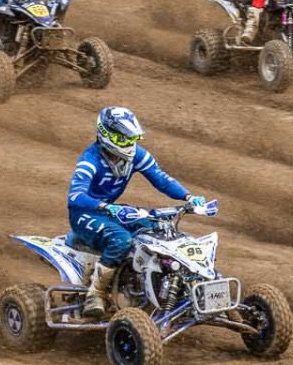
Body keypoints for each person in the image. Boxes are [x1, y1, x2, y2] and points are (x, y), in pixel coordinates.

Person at [66, 107, 209, 316]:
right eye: (123, 139)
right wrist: (107, 207)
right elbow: (75, 196)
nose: (128, 144)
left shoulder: (137, 155)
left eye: (131, 139)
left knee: (159, 230)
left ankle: (168, 286)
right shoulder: (90, 160)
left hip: (110, 210)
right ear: (107, 135)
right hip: (84, 213)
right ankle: (95, 294)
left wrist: (188, 197)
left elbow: (160, 178)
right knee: (121, 240)